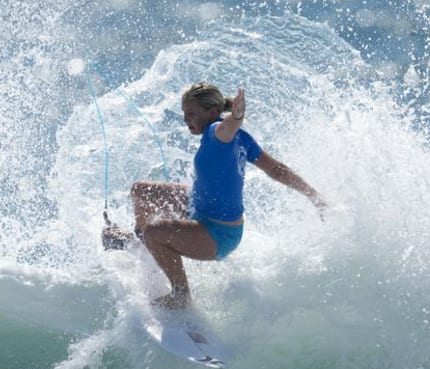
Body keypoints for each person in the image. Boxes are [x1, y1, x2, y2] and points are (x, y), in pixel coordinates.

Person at [103, 82, 327, 309]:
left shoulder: (216, 132)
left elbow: (227, 129)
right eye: (184, 113)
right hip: (200, 207)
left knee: (155, 231)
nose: (185, 119)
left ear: (211, 112)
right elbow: (277, 169)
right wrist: (313, 195)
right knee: (141, 191)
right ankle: (143, 243)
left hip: (218, 234)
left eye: (191, 114)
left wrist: (237, 116)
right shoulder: (242, 138)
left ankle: (181, 296)